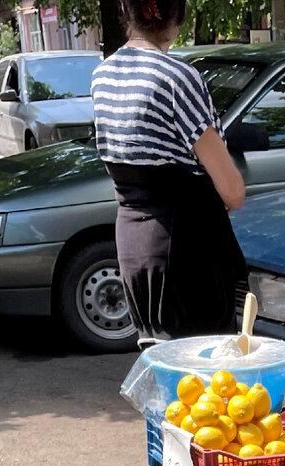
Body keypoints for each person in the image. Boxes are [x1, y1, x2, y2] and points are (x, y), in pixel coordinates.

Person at [90, 0, 247, 347]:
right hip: (187, 249)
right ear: (177, 18)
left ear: (125, 12)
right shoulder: (178, 77)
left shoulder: (103, 75)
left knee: (162, 365)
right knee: (204, 377)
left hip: (133, 242)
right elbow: (233, 191)